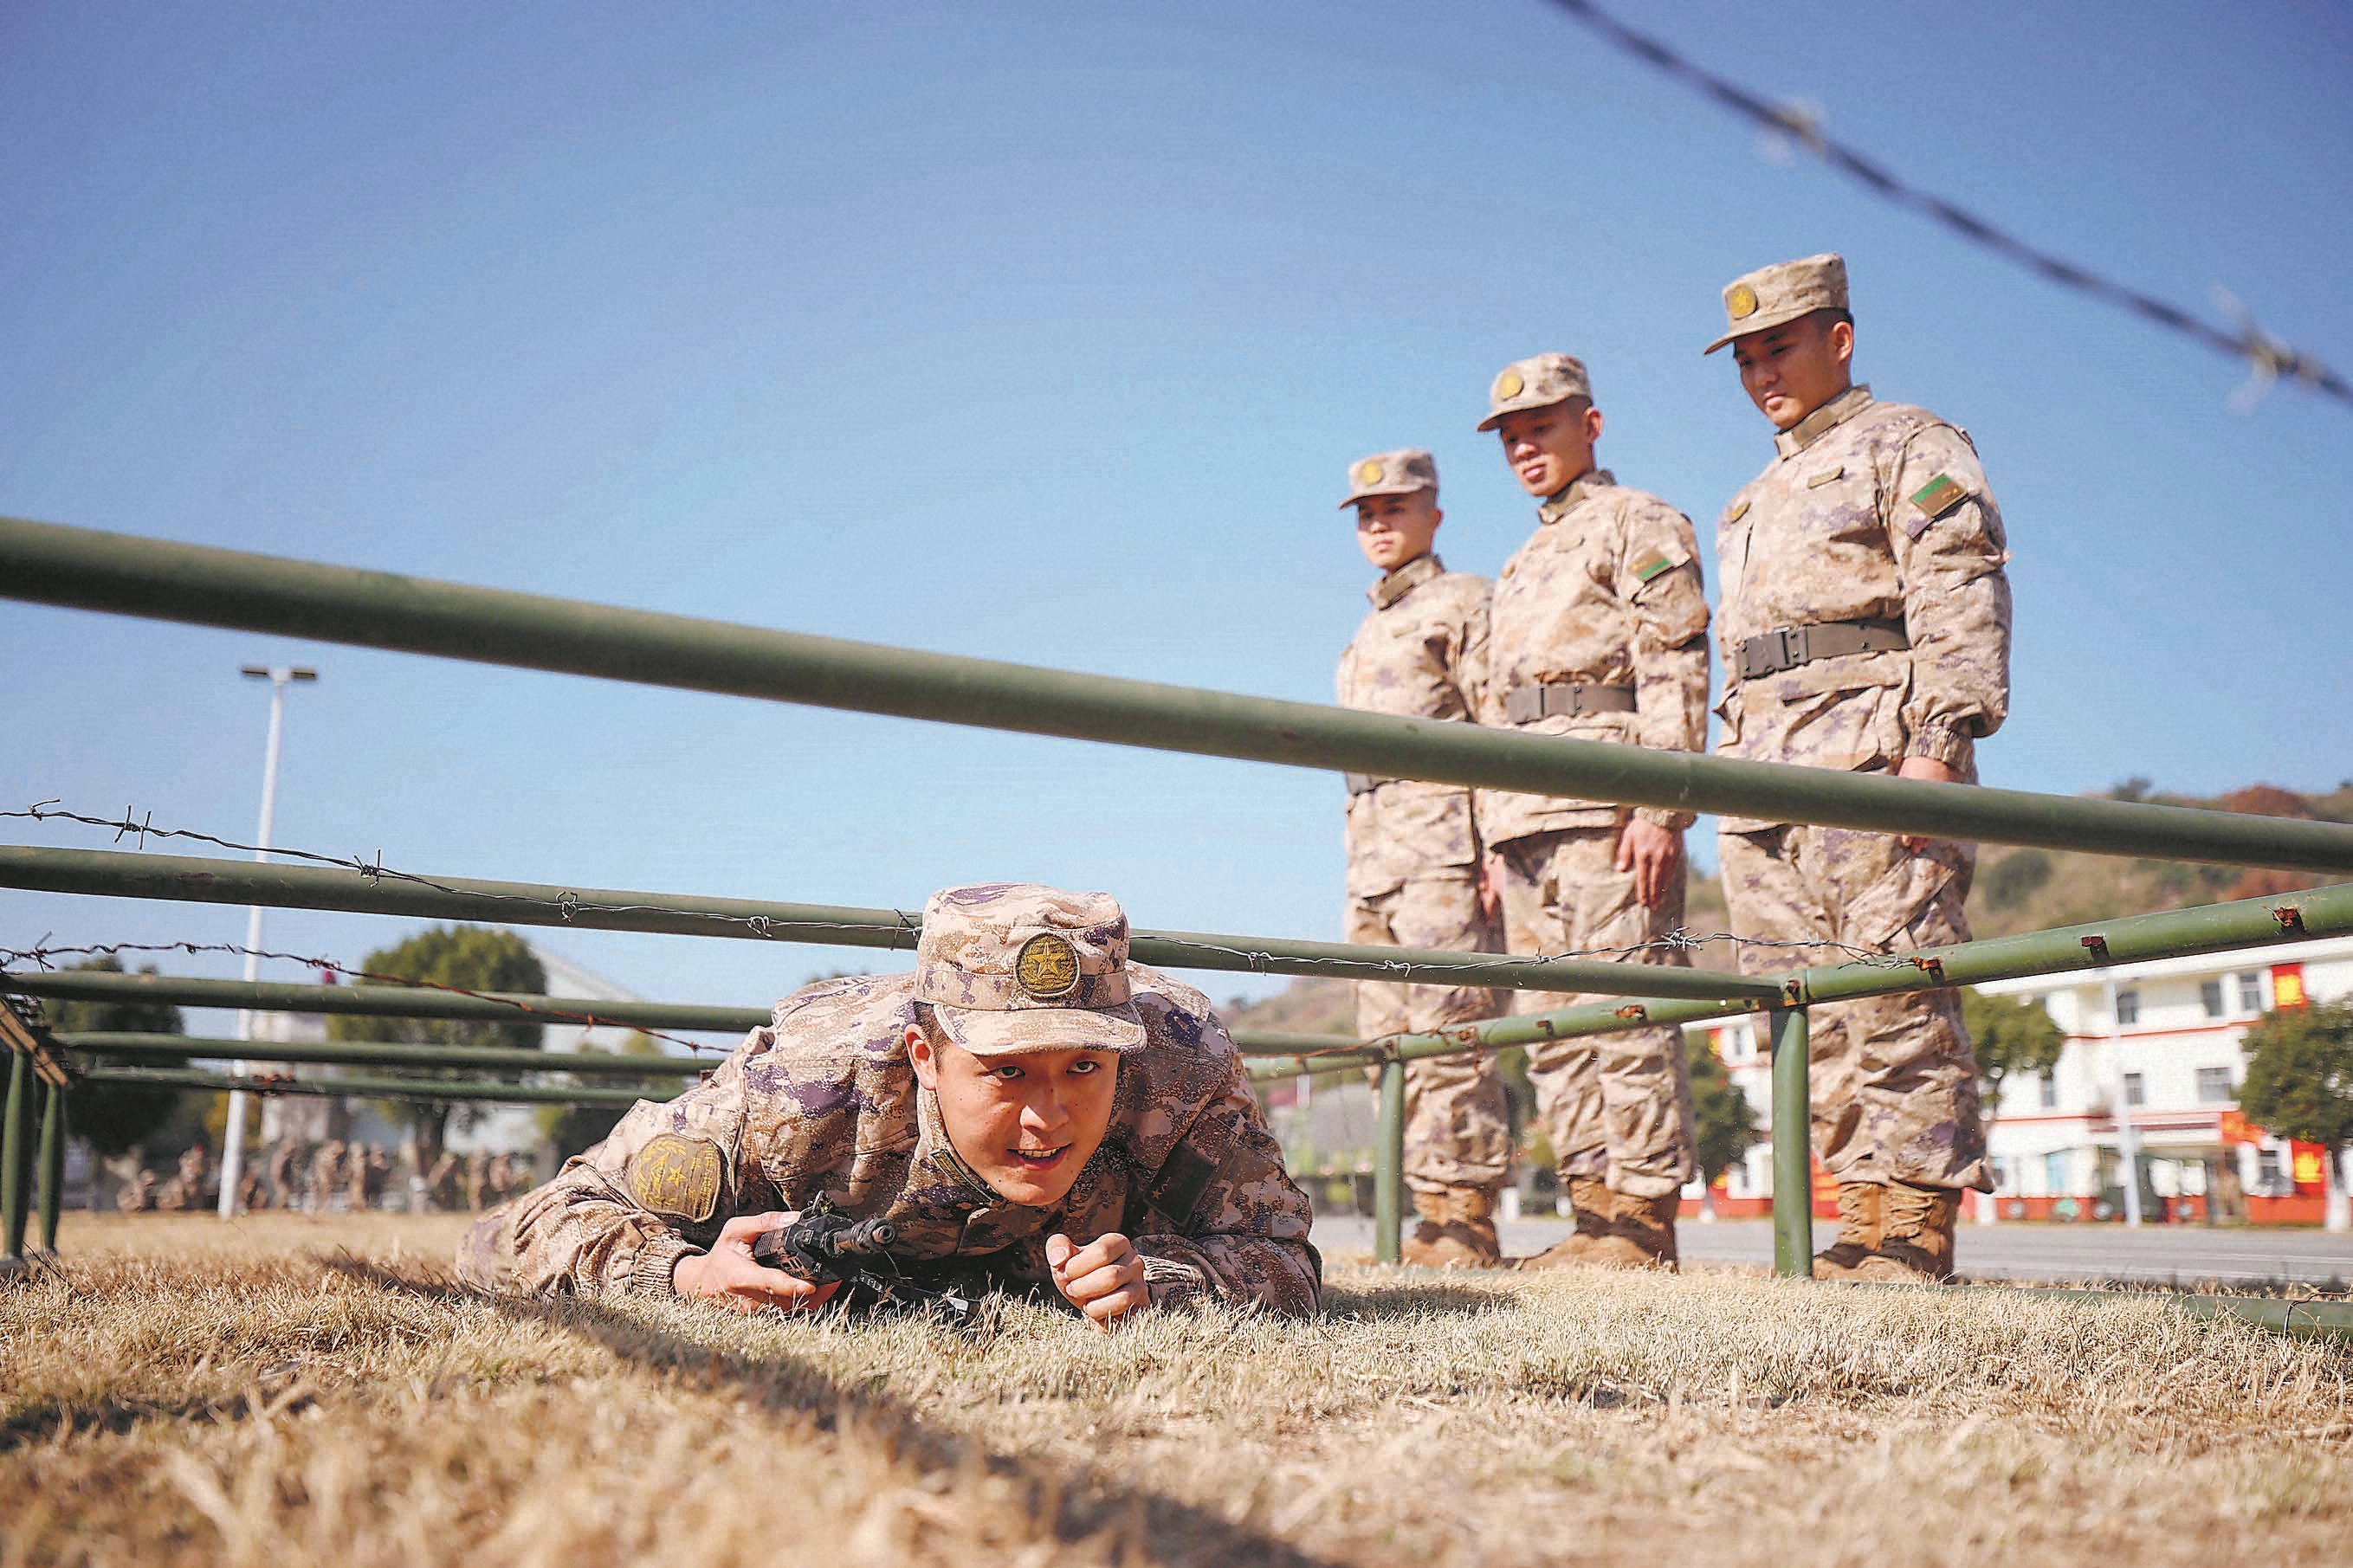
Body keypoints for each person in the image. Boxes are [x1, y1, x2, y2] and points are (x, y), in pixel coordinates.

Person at [458, 883, 1321, 1322]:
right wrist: (685, 1274)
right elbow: (529, 1225)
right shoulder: (802, 1083)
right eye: (1006, 1071)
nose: (1046, 1115)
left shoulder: (1180, 1062)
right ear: (926, 1054)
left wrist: (1161, 1279)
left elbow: (1285, 1256)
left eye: (1083, 1067)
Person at [1705, 253, 2012, 1283]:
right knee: (1806, 1005)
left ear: (1838, 338)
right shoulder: (1747, 499)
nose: (1760, 373)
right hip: (1761, 769)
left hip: (1869, 751)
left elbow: (1955, 590)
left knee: (1893, 988)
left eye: (1777, 347)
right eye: (1744, 358)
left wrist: (1937, 744)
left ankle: (1914, 1224)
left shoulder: (1906, 442)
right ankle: (1856, 1214)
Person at [1473, 352, 1710, 1269]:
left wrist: (1663, 801)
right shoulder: (1522, 559)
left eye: (1542, 424)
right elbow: (1496, 706)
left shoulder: (1634, 519)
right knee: (1552, 1028)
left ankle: (1642, 1220)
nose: (1525, 444)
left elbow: (1672, 657)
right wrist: (1493, 828)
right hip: (1524, 814)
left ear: (1591, 423)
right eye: (1509, 434)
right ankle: (1593, 1213)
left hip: (1607, 800)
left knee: (1624, 1006)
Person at [1333, 448, 1509, 1267]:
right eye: (1365, 513)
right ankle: (1420, 1218)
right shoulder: (1367, 628)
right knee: (1386, 1041)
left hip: (1442, 846)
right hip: (1371, 856)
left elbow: (1495, 728)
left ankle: (1464, 1219)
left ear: (1432, 514)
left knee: (1450, 1031)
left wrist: (1494, 841)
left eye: (1393, 509)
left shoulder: (1463, 601)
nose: (1378, 524)